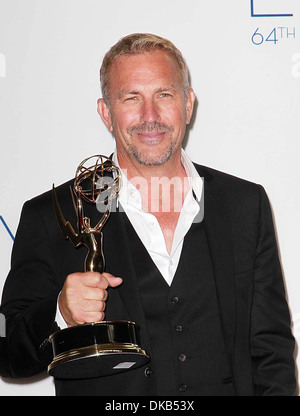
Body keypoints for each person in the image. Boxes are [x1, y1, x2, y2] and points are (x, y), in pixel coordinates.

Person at [0, 33, 296, 396]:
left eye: (164, 95)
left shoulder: (243, 204)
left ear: (188, 104)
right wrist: (60, 314)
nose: (150, 116)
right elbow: (6, 352)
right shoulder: (52, 215)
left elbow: (273, 352)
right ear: (106, 113)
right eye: (131, 98)